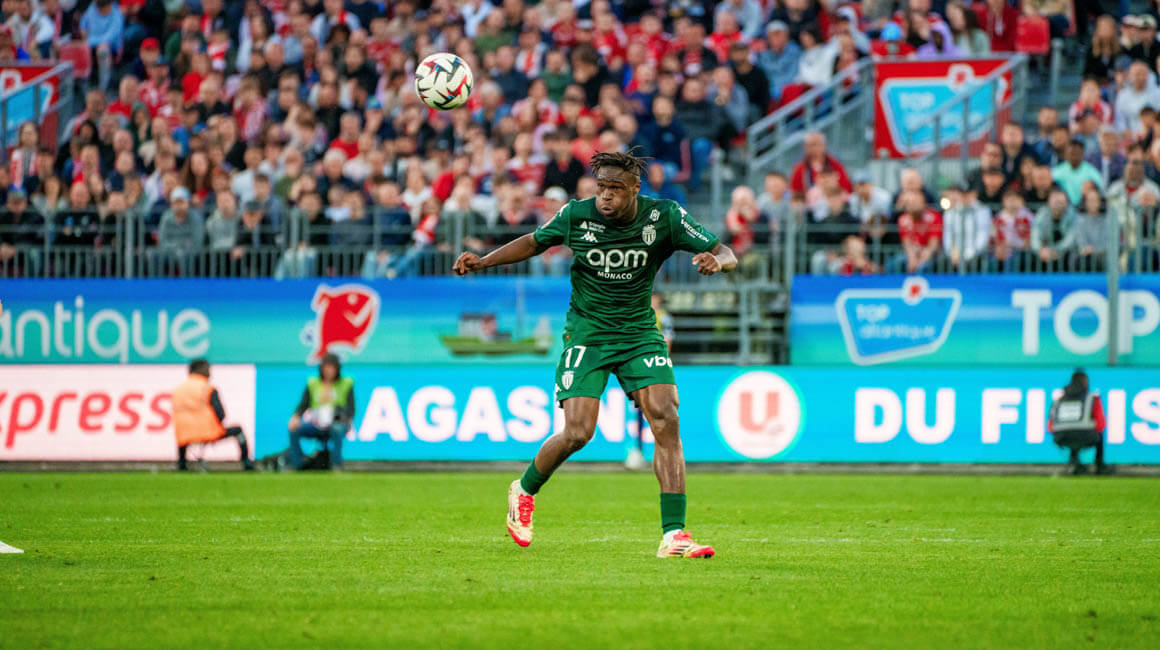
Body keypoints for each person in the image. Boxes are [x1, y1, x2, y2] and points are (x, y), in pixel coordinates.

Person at [453, 149, 737, 559]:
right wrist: (483, 262)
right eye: (601, 187)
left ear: (635, 189)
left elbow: (726, 251)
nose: (605, 196)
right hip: (588, 333)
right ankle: (524, 489)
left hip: (639, 332)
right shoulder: (576, 215)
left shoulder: (665, 216)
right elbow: (533, 242)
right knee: (578, 432)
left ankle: (674, 535)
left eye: (615, 189)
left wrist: (717, 261)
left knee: (666, 416)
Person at [171, 359, 254, 471]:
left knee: (184, 434)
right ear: (200, 370)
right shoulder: (208, 388)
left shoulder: (178, 390)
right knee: (238, 430)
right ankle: (246, 462)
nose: (210, 372)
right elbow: (220, 413)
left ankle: (182, 464)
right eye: (207, 369)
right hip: (207, 432)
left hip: (184, 434)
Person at [287, 353, 355, 471]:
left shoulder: (346, 383)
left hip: (337, 422)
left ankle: (336, 464)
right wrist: (296, 416)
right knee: (294, 429)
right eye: (326, 368)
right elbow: (303, 404)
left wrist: (340, 417)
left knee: (337, 429)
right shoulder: (313, 383)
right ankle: (297, 464)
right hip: (316, 423)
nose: (328, 371)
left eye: (331, 368)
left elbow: (351, 409)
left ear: (337, 369)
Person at [1048, 369, 1111, 475]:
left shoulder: (1059, 400)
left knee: (1073, 434)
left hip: (1062, 437)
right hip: (1085, 436)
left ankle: (1073, 462)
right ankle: (1099, 465)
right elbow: (1101, 424)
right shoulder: (1092, 398)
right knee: (1097, 435)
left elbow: (1050, 426)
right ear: (1085, 382)